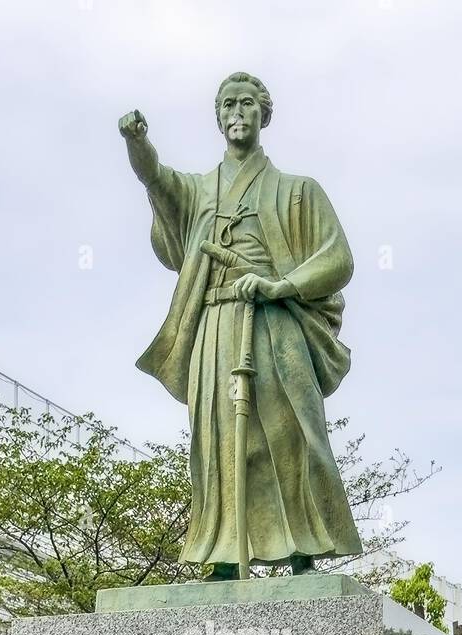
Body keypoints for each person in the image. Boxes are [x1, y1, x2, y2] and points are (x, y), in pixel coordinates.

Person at [119, 72, 363, 579]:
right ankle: (224, 554)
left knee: (292, 430)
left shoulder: (298, 191)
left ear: (263, 114)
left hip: (276, 320)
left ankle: (304, 551)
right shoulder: (200, 190)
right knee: (217, 436)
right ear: (217, 117)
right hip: (215, 323)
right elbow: (157, 180)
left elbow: (337, 257)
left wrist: (283, 285)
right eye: (228, 103)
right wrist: (137, 143)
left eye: (247, 103)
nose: (237, 112)